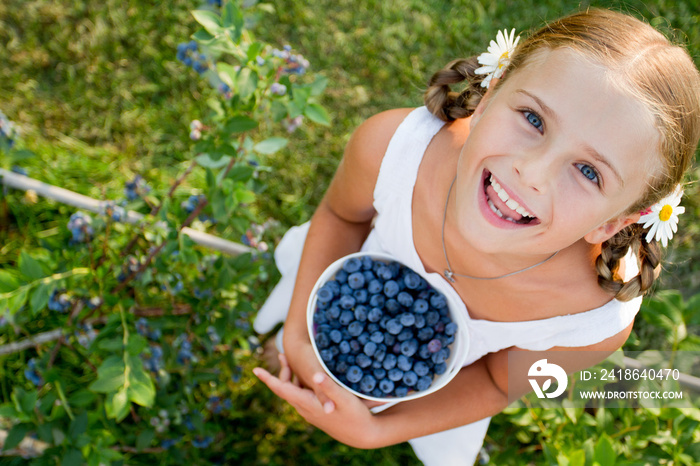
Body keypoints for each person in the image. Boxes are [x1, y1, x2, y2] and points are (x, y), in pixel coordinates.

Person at [252, 8, 700, 465]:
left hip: (438, 392)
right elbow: (339, 218)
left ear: (614, 223)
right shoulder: (392, 150)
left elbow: (493, 382)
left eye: (588, 171)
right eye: (533, 119)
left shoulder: (590, 320)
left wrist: (376, 428)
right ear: (487, 99)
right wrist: (297, 333)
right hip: (339, 292)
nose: (532, 173)